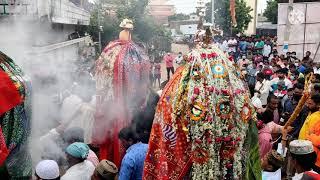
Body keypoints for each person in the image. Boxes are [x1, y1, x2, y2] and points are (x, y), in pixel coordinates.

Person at [299, 94, 320, 172]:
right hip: (305, 150)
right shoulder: (311, 113)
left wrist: (310, 136)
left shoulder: (317, 117)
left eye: (310, 104)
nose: (307, 106)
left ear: (318, 105)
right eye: (307, 103)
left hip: (311, 155)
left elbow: (316, 141)